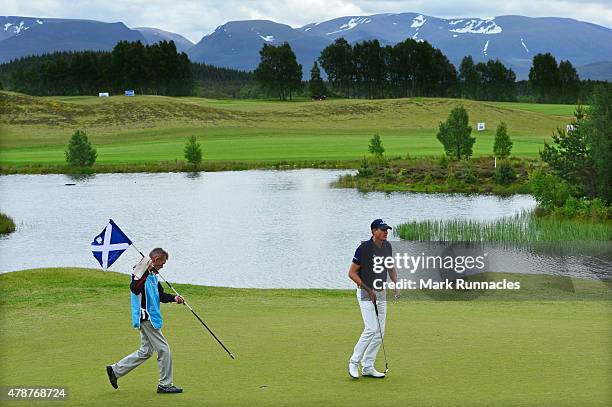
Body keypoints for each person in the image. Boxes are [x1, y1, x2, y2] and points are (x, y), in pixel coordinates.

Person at [106, 248, 185, 393]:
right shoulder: (139, 272)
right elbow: (134, 288)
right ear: (155, 260)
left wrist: (175, 298)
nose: (163, 265)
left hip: (150, 318)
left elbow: (159, 295)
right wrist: (146, 272)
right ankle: (165, 385)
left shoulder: (153, 276)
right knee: (164, 350)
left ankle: (115, 370)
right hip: (146, 318)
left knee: (146, 351)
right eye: (162, 262)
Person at [347, 219, 399, 379]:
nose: (385, 232)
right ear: (373, 231)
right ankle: (354, 362)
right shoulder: (363, 249)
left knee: (380, 332)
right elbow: (352, 273)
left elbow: (390, 266)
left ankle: (368, 366)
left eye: (387, 230)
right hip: (365, 293)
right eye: (382, 230)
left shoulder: (387, 246)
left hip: (381, 293)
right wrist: (368, 290)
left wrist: (396, 284)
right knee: (371, 329)